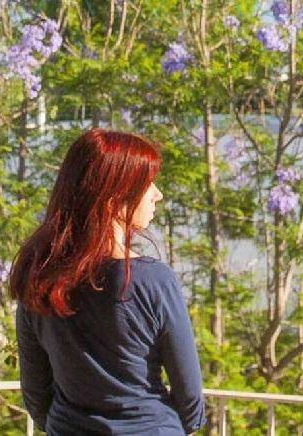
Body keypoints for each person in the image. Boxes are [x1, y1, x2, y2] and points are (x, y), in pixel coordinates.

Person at [12, 128, 205, 435]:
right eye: (148, 184)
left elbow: (36, 394)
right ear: (115, 199)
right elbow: (189, 392)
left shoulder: (38, 278)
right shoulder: (153, 280)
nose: (158, 194)